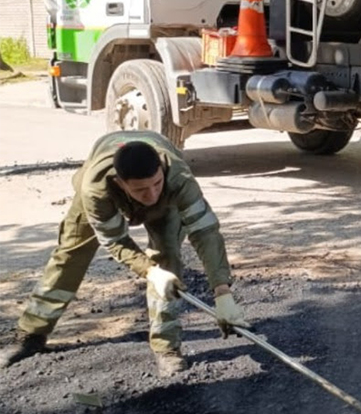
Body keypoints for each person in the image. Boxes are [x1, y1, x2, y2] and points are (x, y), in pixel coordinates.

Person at [0, 131, 250, 376]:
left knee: (168, 257)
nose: (151, 195)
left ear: (162, 171)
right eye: (141, 190)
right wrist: (150, 272)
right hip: (102, 189)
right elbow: (114, 240)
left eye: (156, 184)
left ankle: (166, 347)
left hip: (168, 197)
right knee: (70, 255)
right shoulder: (95, 189)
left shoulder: (178, 178)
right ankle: (31, 334)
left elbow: (205, 231)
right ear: (120, 183)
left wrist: (222, 293)